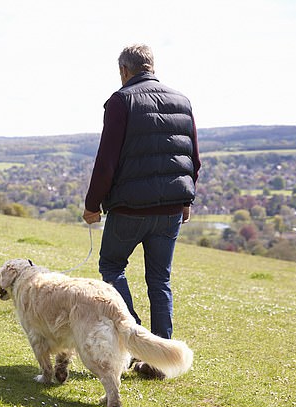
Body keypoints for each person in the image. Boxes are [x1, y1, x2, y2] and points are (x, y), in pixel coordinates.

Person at [83, 44, 201, 378]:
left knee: (111, 265)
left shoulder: (121, 101)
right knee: (159, 280)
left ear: (124, 69)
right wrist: (186, 201)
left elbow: (106, 161)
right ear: (151, 66)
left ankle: (136, 341)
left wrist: (93, 205)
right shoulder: (182, 100)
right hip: (170, 210)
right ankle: (160, 357)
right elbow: (193, 156)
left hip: (130, 209)